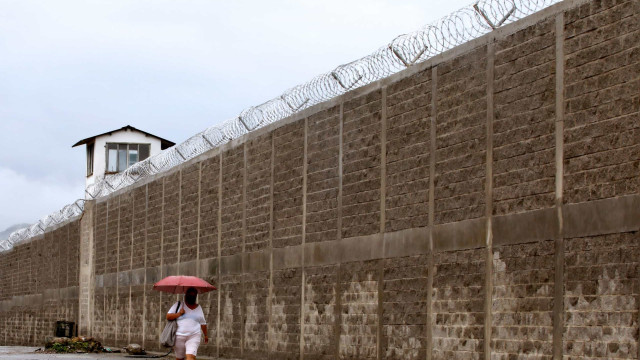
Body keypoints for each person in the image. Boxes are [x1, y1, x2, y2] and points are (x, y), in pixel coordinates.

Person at [166, 287, 208, 360]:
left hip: (194, 336)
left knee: (190, 357)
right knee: (180, 358)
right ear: (186, 295)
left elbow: (203, 323)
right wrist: (179, 313)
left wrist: (206, 335)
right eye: (190, 295)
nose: (192, 297)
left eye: (193, 295)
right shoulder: (178, 304)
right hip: (179, 337)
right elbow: (168, 316)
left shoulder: (199, 308)